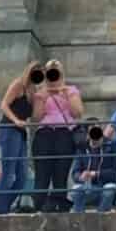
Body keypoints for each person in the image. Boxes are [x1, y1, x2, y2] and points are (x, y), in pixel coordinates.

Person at [32, 59, 83, 212]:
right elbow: (36, 117)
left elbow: (77, 113)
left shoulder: (71, 90)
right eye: (50, 71)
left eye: (56, 71)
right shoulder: (40, 92)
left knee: (61, 174)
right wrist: (43, 96)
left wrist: (66, 94)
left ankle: (60, 207)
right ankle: (39, 206)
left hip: (64, 134)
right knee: (42, 174)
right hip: (44, 134)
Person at [0, 60, 44, 213]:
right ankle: (2, 209)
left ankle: (4, 205)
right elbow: (4, 105)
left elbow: (36, 116)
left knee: (22, 176)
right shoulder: (19, 85)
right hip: (9, 129)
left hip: (21, 133)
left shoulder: (33, 91)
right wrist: (16, 120)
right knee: (8, 172)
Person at [70, 124, 116, 213]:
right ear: (88, 135)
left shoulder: (112, 146)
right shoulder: (82, 149)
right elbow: (75, 172)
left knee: (109, 189)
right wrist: (80, 177)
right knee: (75, 190)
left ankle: (99, 218)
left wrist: (97, 174)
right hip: (89, 186)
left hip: (107, 185)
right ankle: (79, 220)